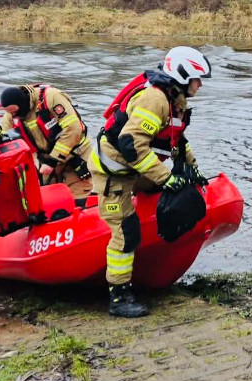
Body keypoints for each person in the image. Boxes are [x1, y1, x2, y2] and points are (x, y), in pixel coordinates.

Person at [88, 47, 211, 317]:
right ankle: (119, 297)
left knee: (173, 187)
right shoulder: (154, 99)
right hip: (114, 173)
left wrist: (193, 170)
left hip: (135, 168)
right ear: (181, 76)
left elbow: (176, 141)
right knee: (126, 231)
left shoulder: (173, 99)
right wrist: (165, 178)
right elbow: (130, 144)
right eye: (197, 79)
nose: (200, 85)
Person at [0, 84, 93, 202]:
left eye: (15, 111)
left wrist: (53, 160)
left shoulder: (51, 97)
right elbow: (9, 146)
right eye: (10, 113)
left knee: (79, 198)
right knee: (50, 200)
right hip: (45, 160)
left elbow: (73, 129)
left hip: (75, 154)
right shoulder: (10, 116)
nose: (14, 115)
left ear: (23, 103)